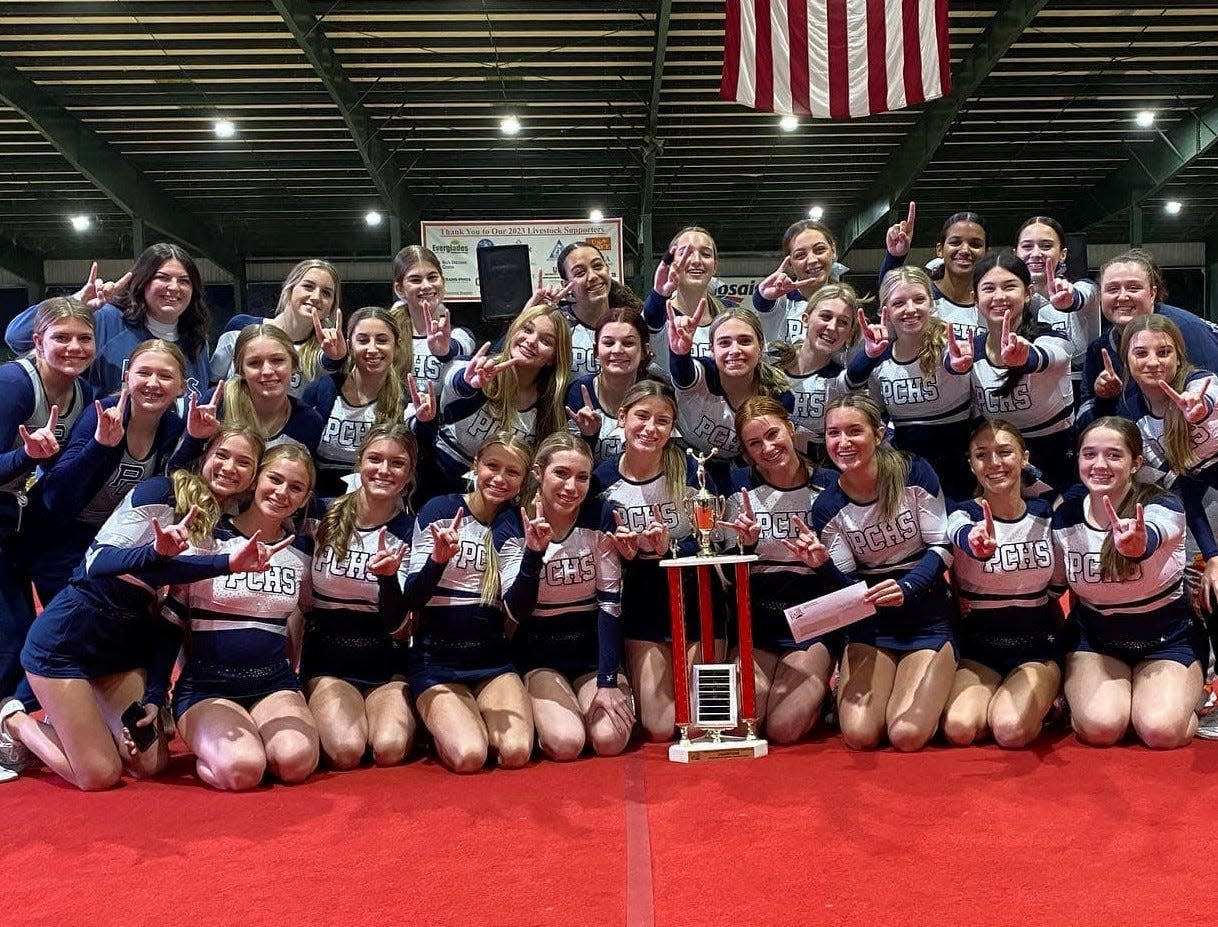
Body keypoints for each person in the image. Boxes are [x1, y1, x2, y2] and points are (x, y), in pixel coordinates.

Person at [1, 425, 273, 789]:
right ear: (205, 456)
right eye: (222, 455)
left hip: (123, 651)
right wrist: (155, 553)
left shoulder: (222, 532)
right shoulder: (160, 491)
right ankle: (12, 720)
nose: (229, 468)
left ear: (253, 479)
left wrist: (155, 695)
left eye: (244, 463)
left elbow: (170, 624)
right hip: (66, 643)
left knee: (149, 763)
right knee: (99, 775)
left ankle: (86, 715)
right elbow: (97, 561)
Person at [375, 433, 535, 772]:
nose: (500, 478)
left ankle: (462, 715)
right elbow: (412, 600)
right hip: (437, 659)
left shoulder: (518, 525)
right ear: (476, 466)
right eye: (492, 466)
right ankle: (437, 721)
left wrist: (534, 553)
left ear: (523, 480)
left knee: (517, 753)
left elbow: (518, 611)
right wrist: (437, 560)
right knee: (469, 756)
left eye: (512, 472)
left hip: (492, 658)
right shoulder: (442, 509)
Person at [808, 394, 957, 751]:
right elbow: (847, 589)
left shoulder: (912, 472)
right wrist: (823, 567)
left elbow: (943, 546)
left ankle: (948, 680)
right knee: (860, 736)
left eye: (854, 431)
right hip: (872, 626)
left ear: (878, 434)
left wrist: (908, 587)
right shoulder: (827, 506)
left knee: (906, 735)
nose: (843, 443)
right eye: (833, 433)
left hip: (927, 618)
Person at [167, 444, 319, 790]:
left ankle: (258, 735)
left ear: (305, 496)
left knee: (295, 763)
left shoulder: (301, 551)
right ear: (255, 480)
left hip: (272, 683)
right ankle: (228, 748)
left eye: (295, 487)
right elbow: (172, 621)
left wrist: (295, 680)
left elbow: (300, 619)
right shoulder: (209, 537)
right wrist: (155, 694)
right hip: (208, 686)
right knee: (244, 770)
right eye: (275, 479)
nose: (282, 493)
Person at [1054, 417, 1203, 749]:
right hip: (1097, 643)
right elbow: (1050, 588)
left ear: (1136, 463)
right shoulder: (1064, 518)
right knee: (1101, 729)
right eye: (1089, 454)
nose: (1099, 464)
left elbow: (1154, 532)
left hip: (1167, 640)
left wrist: (1137, 544)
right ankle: (1098, 699)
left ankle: (1188, 695)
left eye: (1114, 455)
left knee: (1160, 732)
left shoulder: (1162, 505)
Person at [22, 340, 188, 603]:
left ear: (181, 386)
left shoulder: (173, 428)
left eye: (165, 376)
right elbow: (55, 494)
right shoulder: (101, 415)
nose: (153, 383)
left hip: (110, 542)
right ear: (127, 377)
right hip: (57, 540)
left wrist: (197, 439)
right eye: (144, 373)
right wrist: (99, 446)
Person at [499, 433, 633, 760]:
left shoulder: (600, 516)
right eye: (561, 473)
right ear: (538, 474)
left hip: (590, 650)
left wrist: (607, 680)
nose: (571, 487)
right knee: (567, 744)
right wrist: (533, 553)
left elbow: (609, 605)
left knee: (609, 740)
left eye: (582, 477)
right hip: (539, 654)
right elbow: (515, 609)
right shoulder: (512, 522)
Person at [0, 298, 96, 742]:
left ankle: (39, 711)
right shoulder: (14, 384)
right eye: (61, 338)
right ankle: (7, 726)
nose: (74, 347)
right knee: (11, 629)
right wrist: (25, 456)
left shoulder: (85, 394)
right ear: (37, 341)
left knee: (63, 616)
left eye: (84, 338)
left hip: (31, 524)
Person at [722, 398, 844, 743]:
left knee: (783, 730)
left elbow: (849, 571)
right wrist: (743, 547)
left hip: (812, 622)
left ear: (790, 428)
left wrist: (819, 562)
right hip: (759, 624)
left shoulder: (830, 485)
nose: (768, 448)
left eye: (773, 434)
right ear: (745, 452)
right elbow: (724, 579)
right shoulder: (736, 487)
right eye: (754, 443)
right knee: (740, 725)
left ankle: (825, 691)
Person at [594, 380, 706, 742]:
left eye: (662, 420)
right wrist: (631, 559)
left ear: (672, 428)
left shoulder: (690, 472)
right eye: (642, 416)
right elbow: (599, 555)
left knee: (702, 720)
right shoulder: (601, 481)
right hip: (641, 601)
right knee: (660, 728)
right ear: (622, 417)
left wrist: (669, 550)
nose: (650, 428)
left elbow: (713, 544)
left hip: (695, 599)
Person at [942, 421, 1062, 748]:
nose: (994, 463)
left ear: (1024, 457)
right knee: (959, 729)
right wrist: (972, 542)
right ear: (971, 464)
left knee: (1009, 731)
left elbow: (1059, 587)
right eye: (982, 455)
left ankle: (1050, 695)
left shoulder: (1047, 515)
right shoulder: (960, 514)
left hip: (1037, 647)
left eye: (1005, 452)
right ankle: (1005, 698)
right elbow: (958, 533)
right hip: (980, 650)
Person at [304, 425, 419, 769]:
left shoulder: (412, 530)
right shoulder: (319, 514)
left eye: (397, 463)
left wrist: (387, 582)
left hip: (386, 660)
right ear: (359, 463)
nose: (384, 470)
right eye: (375, 459)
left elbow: (401, 628)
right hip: (328, 659)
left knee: (388, 748)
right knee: (345, 751)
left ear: (410, 474)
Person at [6, 244, 212, 399]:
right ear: (142, 282)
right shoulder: (107, 318)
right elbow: (16, 337)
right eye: (163, 277)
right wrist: (77, 303)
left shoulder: (196, 341)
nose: (174, 287)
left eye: (184, 281)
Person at [847, 266, 976, 501]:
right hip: (909, 476)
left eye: (919, 300)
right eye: (899, 303)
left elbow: (954, 363)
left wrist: (959, 365)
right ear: (885, 310)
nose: (911, 310)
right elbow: (873, 412)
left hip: (962, 472)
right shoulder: (880, 362)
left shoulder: (950, 347)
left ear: (931, 302)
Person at [433, 305, 571, 492]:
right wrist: (468, 384)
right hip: (441, 476)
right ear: (514, 330)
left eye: (546, 341)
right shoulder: (481, 370)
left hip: (500, 492)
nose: (531, 341)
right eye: (527, 329)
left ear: (554, 357)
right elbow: (454, 378)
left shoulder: (549, 403)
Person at [968, 253, 1075, 492]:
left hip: (1057, 460)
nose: (999, 296)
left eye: (1009, 287)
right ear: (975, 298)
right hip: (1000, 462)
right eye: (989, 289)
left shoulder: (1051, 337)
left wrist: (1026, 358)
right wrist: (952, 365)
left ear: (1028, 293)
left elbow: (1052, 356)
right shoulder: (971, 349)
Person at [302, 307, 435, 500]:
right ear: (349, 345)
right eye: (363, 340)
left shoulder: (407, 397)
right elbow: (301, 449)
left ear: (397, 346)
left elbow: (421, 448)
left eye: (382, 340)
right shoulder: (323, 390)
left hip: (378, 501)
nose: (372, 349)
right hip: (318, 502)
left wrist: (426, 422)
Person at [1081, 249, 1218, 419]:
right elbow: (1086, 422)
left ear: (1152, 293)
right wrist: (1104, 398)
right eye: (1112, 289)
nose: (1122, 297)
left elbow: (1212, 390)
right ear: (1100, 296)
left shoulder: (1187, 329)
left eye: (1134, 287)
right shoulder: (1099, 349)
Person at [668, 304, 793, 484]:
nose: (735, 350)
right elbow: (682, 374)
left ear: (760, 346)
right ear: (712, 349)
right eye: (724, 343)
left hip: (739, 468)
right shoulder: (704, 373)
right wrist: (679, 353)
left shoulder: (777, 394)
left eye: (745, 341)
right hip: (683, 462)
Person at [210, 259, 344, 397]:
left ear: (332, 307)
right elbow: (212, 385)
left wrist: (337, 358)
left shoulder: (324, 350)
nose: (316, 297)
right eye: (308, 286)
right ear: (289, 290)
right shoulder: (240, 328)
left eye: (326, 293)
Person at [769, 283, 863, 461]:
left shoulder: (840, 381)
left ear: (850, 334)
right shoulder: (772, 362)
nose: (832, 327)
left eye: (843, 322)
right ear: (805, 319)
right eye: (825, 316)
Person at [1014, 216, 1100, 400]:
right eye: (1027, 246)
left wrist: (1070, 300)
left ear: (1063, 254)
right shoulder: (1009, 300)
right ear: (1016, 253)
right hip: (1024, 396)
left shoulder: (1084, 288)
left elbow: (1084, 295)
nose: (1036, 253)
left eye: (1046, 246)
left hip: (1079, 394)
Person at [881, 205, 988, 341]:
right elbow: (889, 294)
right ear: (940, 250)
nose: (965, 250)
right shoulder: (921, 297)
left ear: (986, 252)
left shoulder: (992, 301)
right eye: (955, 242)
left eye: (975, 244)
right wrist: (895, 257)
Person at [564, 307, 654, 466]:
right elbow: (572, 466)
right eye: (608, 343)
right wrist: (588, 436)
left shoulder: (656, 394)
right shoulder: (579, 392)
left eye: (628, 343)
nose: (617, 350)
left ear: (645, 351)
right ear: (596, 351)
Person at [389, 245, 474, 393]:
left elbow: (455, 348)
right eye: (415, 280)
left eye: (432, 277)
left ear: (443, 281)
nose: (426, 285)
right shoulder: (388, 336)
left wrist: (444, 350)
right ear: (400, 289)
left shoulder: (461, 335)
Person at [551, 241, 642, 377]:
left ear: (607, 269)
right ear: (566, 285)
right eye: (580, 273)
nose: (593, 276)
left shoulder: (632, 321)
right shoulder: (557, 325)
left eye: (598, 266)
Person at [643, 226, 726, 369]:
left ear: (715, 266)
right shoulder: (659, 315)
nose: (696, 260)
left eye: (706, 254)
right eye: (686, 253)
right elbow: (651, 319)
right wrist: (659, 294)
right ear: (671, 264)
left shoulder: (728, 319)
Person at [752, 219, 844, 344]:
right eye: (800, 255)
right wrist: (763, 296)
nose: (812, 260)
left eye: (820, 250)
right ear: (790, 263)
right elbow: (763, 304)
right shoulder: (781, 302)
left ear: (833, 250)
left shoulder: (845, 305)